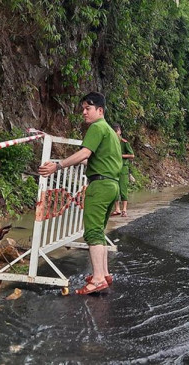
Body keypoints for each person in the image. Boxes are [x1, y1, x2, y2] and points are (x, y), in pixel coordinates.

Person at [38, 91, 121, 295]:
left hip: (99, 186)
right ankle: (103, 274)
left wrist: (57, 167)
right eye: (83, 108)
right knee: (98, 231)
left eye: (88, 108)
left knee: (92, 232)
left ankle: (99, 278)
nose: (84, 112)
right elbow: (91, 159)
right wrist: (66, 162)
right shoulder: (110, 132)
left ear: (99, 110)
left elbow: (84, 153)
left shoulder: (96, 127)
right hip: (112, 185)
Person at [111, 124, 135, 217]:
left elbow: (132, 155)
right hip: (113, 167)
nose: (115, 134)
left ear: (119, 132)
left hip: (123, 168)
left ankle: (124, 209)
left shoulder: (124, 142)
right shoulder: (111, 142)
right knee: (115, 189)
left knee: (123, 188)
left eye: (116, 132)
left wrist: (121, 156)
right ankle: (117, 209)